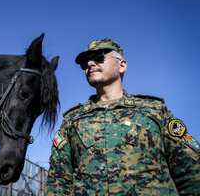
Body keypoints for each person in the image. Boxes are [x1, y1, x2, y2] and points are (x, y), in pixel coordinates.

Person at [45, 39, 200, 195]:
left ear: (122, 65)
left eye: (99, 57)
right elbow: (57, 183)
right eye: (85, 63)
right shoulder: (73, 120)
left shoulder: (154, 110)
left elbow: (191, 173)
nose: (90, 64)